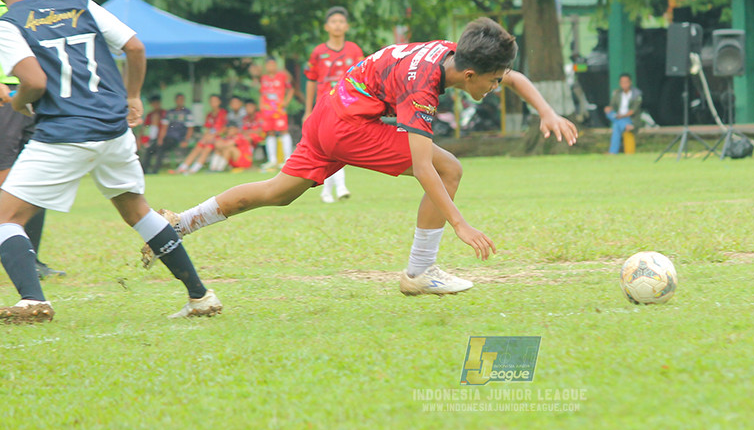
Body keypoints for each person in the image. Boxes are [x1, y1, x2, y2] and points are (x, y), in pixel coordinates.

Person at [143, 18, 578, 296]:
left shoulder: (452, 52)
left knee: (278, 192)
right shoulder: (422, 87)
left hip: (330, 112)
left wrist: (547, 110)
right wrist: (460, 224)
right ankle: (420, 272)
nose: (496, 87)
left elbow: (513, 74)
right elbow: (425, 168)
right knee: (449, 168)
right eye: (493, 82)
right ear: (469, 75)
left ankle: (180, 222)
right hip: (348, 125)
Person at [0, 0, 221, 322]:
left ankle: (32, 300)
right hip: (113, 127)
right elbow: (134, 45)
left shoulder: (8, 24)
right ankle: (200, 297)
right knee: (138, 211)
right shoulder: (81, 5)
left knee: (5, 218)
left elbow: (34, 82)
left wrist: (17, 102)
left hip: (65, 132)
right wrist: (132, 95)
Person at [0, 0, 64, 279]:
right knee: (8, 180)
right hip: (5, 98)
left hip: (34, 93)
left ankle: (31, 260)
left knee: (36, 178)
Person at [303, 6, 365, 203]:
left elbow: (362, 78)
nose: (337, 25)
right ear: (326, 27)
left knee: (338, 146)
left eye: (341, 22)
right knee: (330, 147)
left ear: (346, 26)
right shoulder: (318, 52)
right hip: (325, 106)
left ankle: (329, 191)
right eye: (333, 22)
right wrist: (308, 110)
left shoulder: (354, 50)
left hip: (348, 105)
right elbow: (311, 81)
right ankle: (338, 188)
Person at [173, 93, 227, 174]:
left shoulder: (223, 113)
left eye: (215, 101)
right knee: (198, 146)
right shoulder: (209, 114)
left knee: (207, 148)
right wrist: (206, 137)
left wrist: (212, 136)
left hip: (219, 138)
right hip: (209, 137)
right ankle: (182, 167)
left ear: (219, 102)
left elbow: (224, 129)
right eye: (211, 101)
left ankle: (194, 169)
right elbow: (208, 128)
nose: (213, 103)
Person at [142, 92, 195, 174]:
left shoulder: (187, 112)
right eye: (178, 100)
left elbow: (190, 129)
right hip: (166, 137)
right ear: (176, 101)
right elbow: (164, 127)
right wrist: (160, 138)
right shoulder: (170, 112)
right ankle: (144, 170)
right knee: (150, 149)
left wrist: (186, 140)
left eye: (182, 100)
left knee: (161, 148)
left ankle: (155, 171)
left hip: (177, 138)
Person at [258, 57, 295, 169]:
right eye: (269, 65)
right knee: (270, 132)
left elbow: (291, 89)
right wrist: (261, 105)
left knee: (283, 131)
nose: (271, 67)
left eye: (273, 64)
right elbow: (262, 93)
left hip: (279, 109)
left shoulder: (282, 76)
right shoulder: (264, 78)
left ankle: (287, 158)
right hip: (267, 110)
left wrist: (286, 102)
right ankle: (272, 160)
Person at [604, 73, 642, 154]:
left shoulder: (636, 94)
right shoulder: (617, 93)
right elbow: (612, 106)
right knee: (609, 113)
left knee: (616, 126)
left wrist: (622, 116)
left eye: (626, 82)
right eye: (622, 82)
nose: (624, 84)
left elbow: (633, 111)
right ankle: (625, 126)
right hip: (618, 117)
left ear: (630, 82)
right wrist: (608, 108)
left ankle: (612, 152)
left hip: (630, 118)